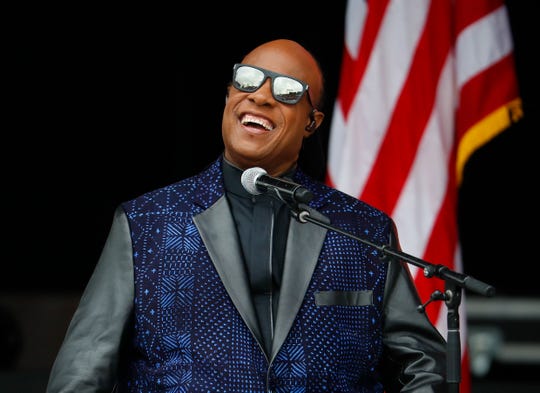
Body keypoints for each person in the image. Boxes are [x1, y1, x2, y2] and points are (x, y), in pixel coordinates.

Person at [46, 38, 448, 392]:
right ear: (228, 97)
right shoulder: (145, 222)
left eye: (289, 90)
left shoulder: (362, 229)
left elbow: (422, 364)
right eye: (248, 79)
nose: (260, 96)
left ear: (312, 122)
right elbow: (83, 370)